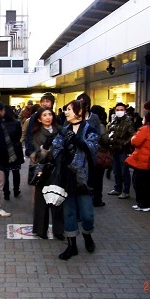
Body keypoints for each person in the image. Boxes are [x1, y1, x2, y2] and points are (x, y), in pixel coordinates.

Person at [52, 100, 99, 260]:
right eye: (66, 110)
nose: (66, 112)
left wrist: (77, 141)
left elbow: (92, 148)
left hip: (84, 178)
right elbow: (55, 149)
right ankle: (72, 246)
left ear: (79, 111)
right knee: (69, 212)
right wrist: (63, 150)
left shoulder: (90, 129)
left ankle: (87, 234)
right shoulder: (63, 130)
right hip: (66, 176)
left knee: (87, 214)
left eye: (69, 109)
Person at [30, 107, 64, 240]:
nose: (48, 117)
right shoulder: (37, 134)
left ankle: (59, 230)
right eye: (44, 115)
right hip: (43, 171)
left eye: (50, 114)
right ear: (39, 119)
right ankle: (40, 230)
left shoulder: (60, 131)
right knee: (41, 201)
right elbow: (38, 157)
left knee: (58, 199)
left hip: (58, 169)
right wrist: (45, 150)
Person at [125, 109, 150, 212]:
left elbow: (136, 142)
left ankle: (142, 204)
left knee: (138, 183)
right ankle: (145, 203)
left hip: (142, 161)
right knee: (148, 184)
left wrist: (133, 137)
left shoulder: (145, 129)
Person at [101, 102, 135, 199]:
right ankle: (117, 188)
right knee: (116, 170)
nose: (119, 111)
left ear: (125, 111)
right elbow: (110, 133)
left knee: (124, 171)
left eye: (121, 109)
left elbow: (132, 135)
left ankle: (125, 190)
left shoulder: (128, 122)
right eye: (117, 110)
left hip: (123, 150)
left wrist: (124, 143)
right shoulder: (113, 121)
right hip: (114, 149)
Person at [2, 104, 24, 200]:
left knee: (5, 174)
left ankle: (6, 193)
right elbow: (19, 135)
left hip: (5, 150)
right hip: (16, 150)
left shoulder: (1, 123)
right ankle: (16, 190)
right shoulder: (17, 123)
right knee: (16, 172)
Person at [24, 92, 57, 157]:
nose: (44, 104)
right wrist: (30, 151)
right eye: (42, 101)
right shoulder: (35, 116)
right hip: (37, 149)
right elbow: (29, 134)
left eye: (47, 101)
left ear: (52, 103)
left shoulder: (56, 117)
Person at [90, 104, 108, 207]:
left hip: (90, 155)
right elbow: (105, 140)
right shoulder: (100, 125)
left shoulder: (86, 123)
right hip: (99, 154)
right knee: (98, 179)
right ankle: (97, 199)